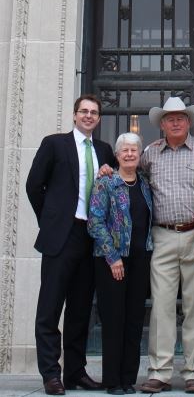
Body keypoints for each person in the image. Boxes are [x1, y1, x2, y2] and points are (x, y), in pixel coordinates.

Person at [26, 94, 115, 396]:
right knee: (50, 308)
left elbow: (114, 188)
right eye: (84, 111)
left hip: (91, 238)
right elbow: (33, 185)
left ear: (99, 118)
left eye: (94, 112)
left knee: (80, 309)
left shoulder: (104, 150)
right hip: (61, 236)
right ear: (75, 115)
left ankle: (76, 372)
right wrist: (50, 220)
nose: (89, 116)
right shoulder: (55, 144)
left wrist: (110, 172)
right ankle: (51, 373)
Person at [140, 97, 194, 394]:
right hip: (162, 236)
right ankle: (159, 372)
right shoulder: (150, 154)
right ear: (161, 124)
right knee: (161, 306)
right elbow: (132, 175)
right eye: (170, 118)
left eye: (181, 117)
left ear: (189, 122)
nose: (175, 122)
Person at [88, 132, 153, 396]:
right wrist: (113, 257)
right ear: (116, 156)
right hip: (111, 261)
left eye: (133, 151)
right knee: (114, 321)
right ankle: (112, 380)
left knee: (135, 320)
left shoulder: (145, 184)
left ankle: (128, 378)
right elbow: (95, 222)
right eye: (124, 150)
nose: (129, 154)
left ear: (139, 156)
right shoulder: (106, 183)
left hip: (140, 261)